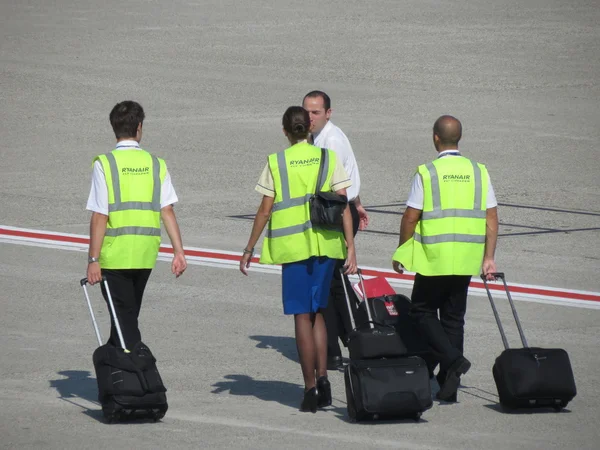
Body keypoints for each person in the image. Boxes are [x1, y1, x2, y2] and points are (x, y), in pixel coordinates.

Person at [239, 106, 358, 413]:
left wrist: (249, 248)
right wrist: (351, 247)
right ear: (309, 128)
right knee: (318, 312)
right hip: (327, 246)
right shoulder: (327, 158)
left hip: (293, 249)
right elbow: (344, 204)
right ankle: (324, 380)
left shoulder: (276, 162)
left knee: (300, 316)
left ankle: (309, 389)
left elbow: (265, 209)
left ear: (285, 131)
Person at [392, 115, 498, 402]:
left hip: (434, 257)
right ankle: (449, 386)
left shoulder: (427, 172)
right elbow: (491, 217)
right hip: (465, 257)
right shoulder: (479, 172)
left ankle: (452, 360)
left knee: (422, 312)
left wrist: (402, 250)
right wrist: (488, 257)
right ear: (458, 138)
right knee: (453, 319)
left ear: (435, 138)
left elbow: (411, 217)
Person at [86, 100, 187, 350]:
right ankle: (114, 382)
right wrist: (178, 251)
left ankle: (140, 378)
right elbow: (167, 210)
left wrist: (93, 259)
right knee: (125, 320)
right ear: (139, 127)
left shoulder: (105, 164)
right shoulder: (155, 164)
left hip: (115, 256)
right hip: (144, 254)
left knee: (125, 325)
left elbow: (100, 215)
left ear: (114, 128)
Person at [302, 90, 368, 370]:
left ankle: (347, 342)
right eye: (306, 111)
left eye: (315, 112)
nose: (309, 117)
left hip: (336, 215)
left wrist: (351, 216)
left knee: (331, 284)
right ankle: (347, 342)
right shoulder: (320, 136)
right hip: (340, 210)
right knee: (333, 284)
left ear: (328, 113)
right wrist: (359, 203)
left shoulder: (330, 141)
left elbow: (337, 190)